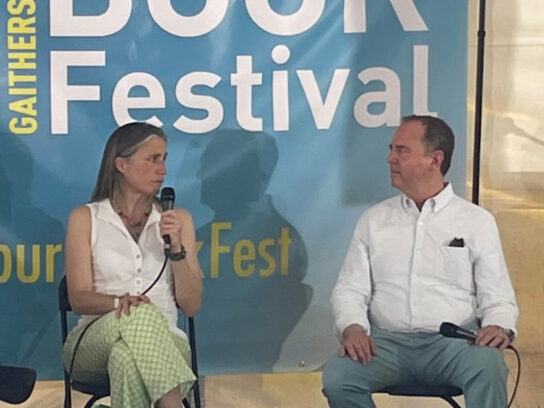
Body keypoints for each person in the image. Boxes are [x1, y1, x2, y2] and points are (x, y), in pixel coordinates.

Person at [322, 115, 518, 408]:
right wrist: (353, 329)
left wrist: (498, 327)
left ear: (434, 159)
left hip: (454, 346)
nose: (390, 159)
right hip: (386, 344)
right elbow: (350, 289)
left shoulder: (476, 221)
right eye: (391, 149)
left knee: (488, 367)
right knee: (339, 377)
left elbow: (498, 295)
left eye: (402, 150)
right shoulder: (373, 220)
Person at [63, 122, 203, 408]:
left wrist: (176, 248)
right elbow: (78, 299)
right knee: (140, 313)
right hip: (93, 340)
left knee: (126, 359)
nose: (162, 169)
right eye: (153, 159)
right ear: (121, 164)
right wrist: (120, 303)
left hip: (168, 341)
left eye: (164, 159)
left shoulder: (179, 220)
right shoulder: (85, 218)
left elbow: (191, 305)